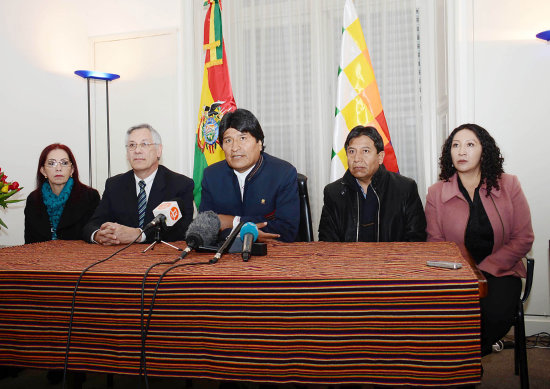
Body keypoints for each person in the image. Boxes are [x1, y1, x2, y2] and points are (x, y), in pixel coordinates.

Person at [425, 123, 534, 356]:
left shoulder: (509, 185)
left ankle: (464, 361)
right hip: (456, 273)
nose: (462, 151)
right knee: (443, 318)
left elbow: (523, 238)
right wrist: (467, 273)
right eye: (456, 145)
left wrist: (486, 268)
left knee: (493, 315)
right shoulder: (436, 192)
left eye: (470, 145)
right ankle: (464, 362)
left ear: (484, 151)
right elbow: (435, 243)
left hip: (500, 271)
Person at [199, 108, 299, 242]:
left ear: (259, 143)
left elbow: (286, 230)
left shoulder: (283, 173)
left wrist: (234, 222)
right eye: (228, 140)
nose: (235, 147)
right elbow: (204, 228)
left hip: (272, 255)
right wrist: (248, 231)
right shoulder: (211, 176)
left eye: (242, 138)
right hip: (225, 257)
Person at [83, 124, 194, 244]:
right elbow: (92, 225)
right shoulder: (114, 185)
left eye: (144, 144)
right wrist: (98, 235)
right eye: (132, 145)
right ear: (127, 153)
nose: (137, 150)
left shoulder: (180, 184)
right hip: (119, 258)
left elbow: (183, 230)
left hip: (159, 257)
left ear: (158, 150)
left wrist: (140, 234)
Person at [318, 125, 426, 242]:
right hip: (348, 260)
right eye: (352, 151)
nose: (357, 158)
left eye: (365, 151)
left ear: (380, 157)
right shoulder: (333, 193)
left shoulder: (405, 188)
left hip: (394, 260)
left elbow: (416, 240)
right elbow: (327, 244)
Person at [24, 143, 100, 243]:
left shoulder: (90, 197)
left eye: (64, 163)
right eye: (52, 163)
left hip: (79, 256)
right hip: (41, 257)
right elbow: (30, 244)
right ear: (43, 171)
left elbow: (93, 236)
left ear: (72, 170)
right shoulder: (33, 199)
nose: (58, 168)